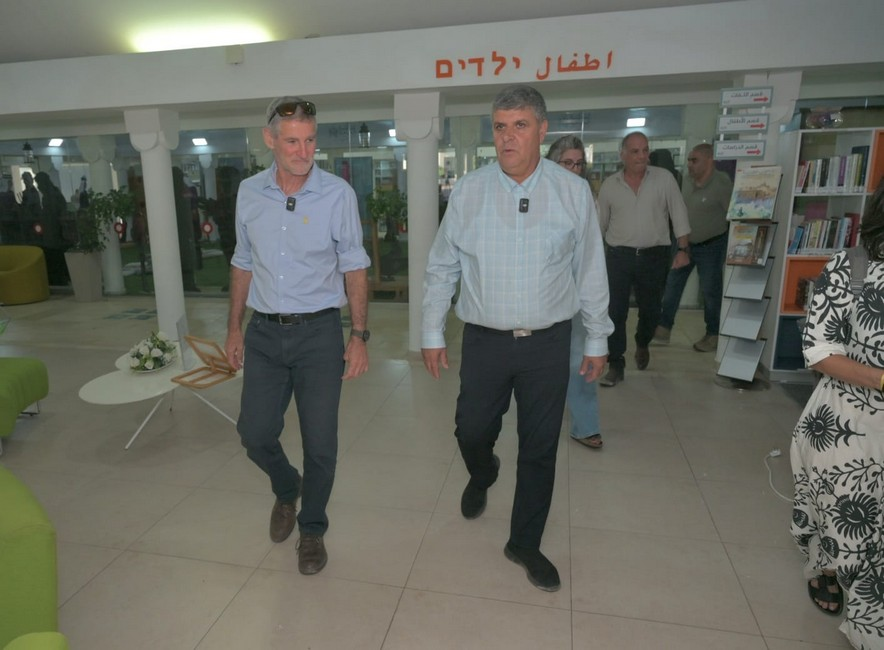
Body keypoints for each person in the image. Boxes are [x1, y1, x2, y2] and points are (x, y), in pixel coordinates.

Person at [422, 85, 612, 591]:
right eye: (500, 127)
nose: (508, 137)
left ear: (542, 130)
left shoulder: (572, 193)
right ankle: (483, 472)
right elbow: (442, 267)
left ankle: (524, 542)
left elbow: (590, 269)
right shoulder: (469, 191)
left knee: (540, 446)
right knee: (471, 430)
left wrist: (597, 338)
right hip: (485, 340)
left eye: (520, 126)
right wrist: (431, 330)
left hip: (548, 342)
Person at [225, 96, 371, 576]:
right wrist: (234, 328)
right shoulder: (249, 192)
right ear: (269, 139)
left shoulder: (337, 195)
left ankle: (312, 528)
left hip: (319, 335)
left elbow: (354, 265)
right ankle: (287, 487)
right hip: (265, 333)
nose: (304, 152)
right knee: (254, 433)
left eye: (310, 140)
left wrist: (359, 335)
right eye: (292, 141)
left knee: (320, 443)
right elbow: (243, 261)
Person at [790, 184, 884, 649]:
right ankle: (829, 567)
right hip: (850, 420)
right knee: (848, 526)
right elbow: (818, 349)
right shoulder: (855, 266)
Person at [596, 132, 690, 387]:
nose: (641, 156)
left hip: (654, 256)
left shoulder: (664, 179)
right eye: (635, 151)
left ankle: (642, 341)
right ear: (623, 155)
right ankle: (616, 363)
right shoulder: (610, 185)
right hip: (619, 257)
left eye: (645, 150)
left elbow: (679, 212)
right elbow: (599, 225)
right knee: (615, 312)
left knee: (652, 310)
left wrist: (683, 248)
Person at [546, 134, 603, 450]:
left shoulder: (585, 197)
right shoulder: (537, 195)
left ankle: (585, 425)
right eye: (567, 162)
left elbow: (592, 253)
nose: (574, 169)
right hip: (546, 293)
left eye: (579, 164)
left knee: (579, 360)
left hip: (578, 290)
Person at [654, 143, 733, 352]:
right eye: (689, 160)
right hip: (685, 245)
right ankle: (663, 329)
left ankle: (713, 334)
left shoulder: (722, 183)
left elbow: (733, 215)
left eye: (694, 160)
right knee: (672, 285)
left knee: (710, 291)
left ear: (709, 160)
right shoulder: (686, 182)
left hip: (711, 245)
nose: (689, 164)